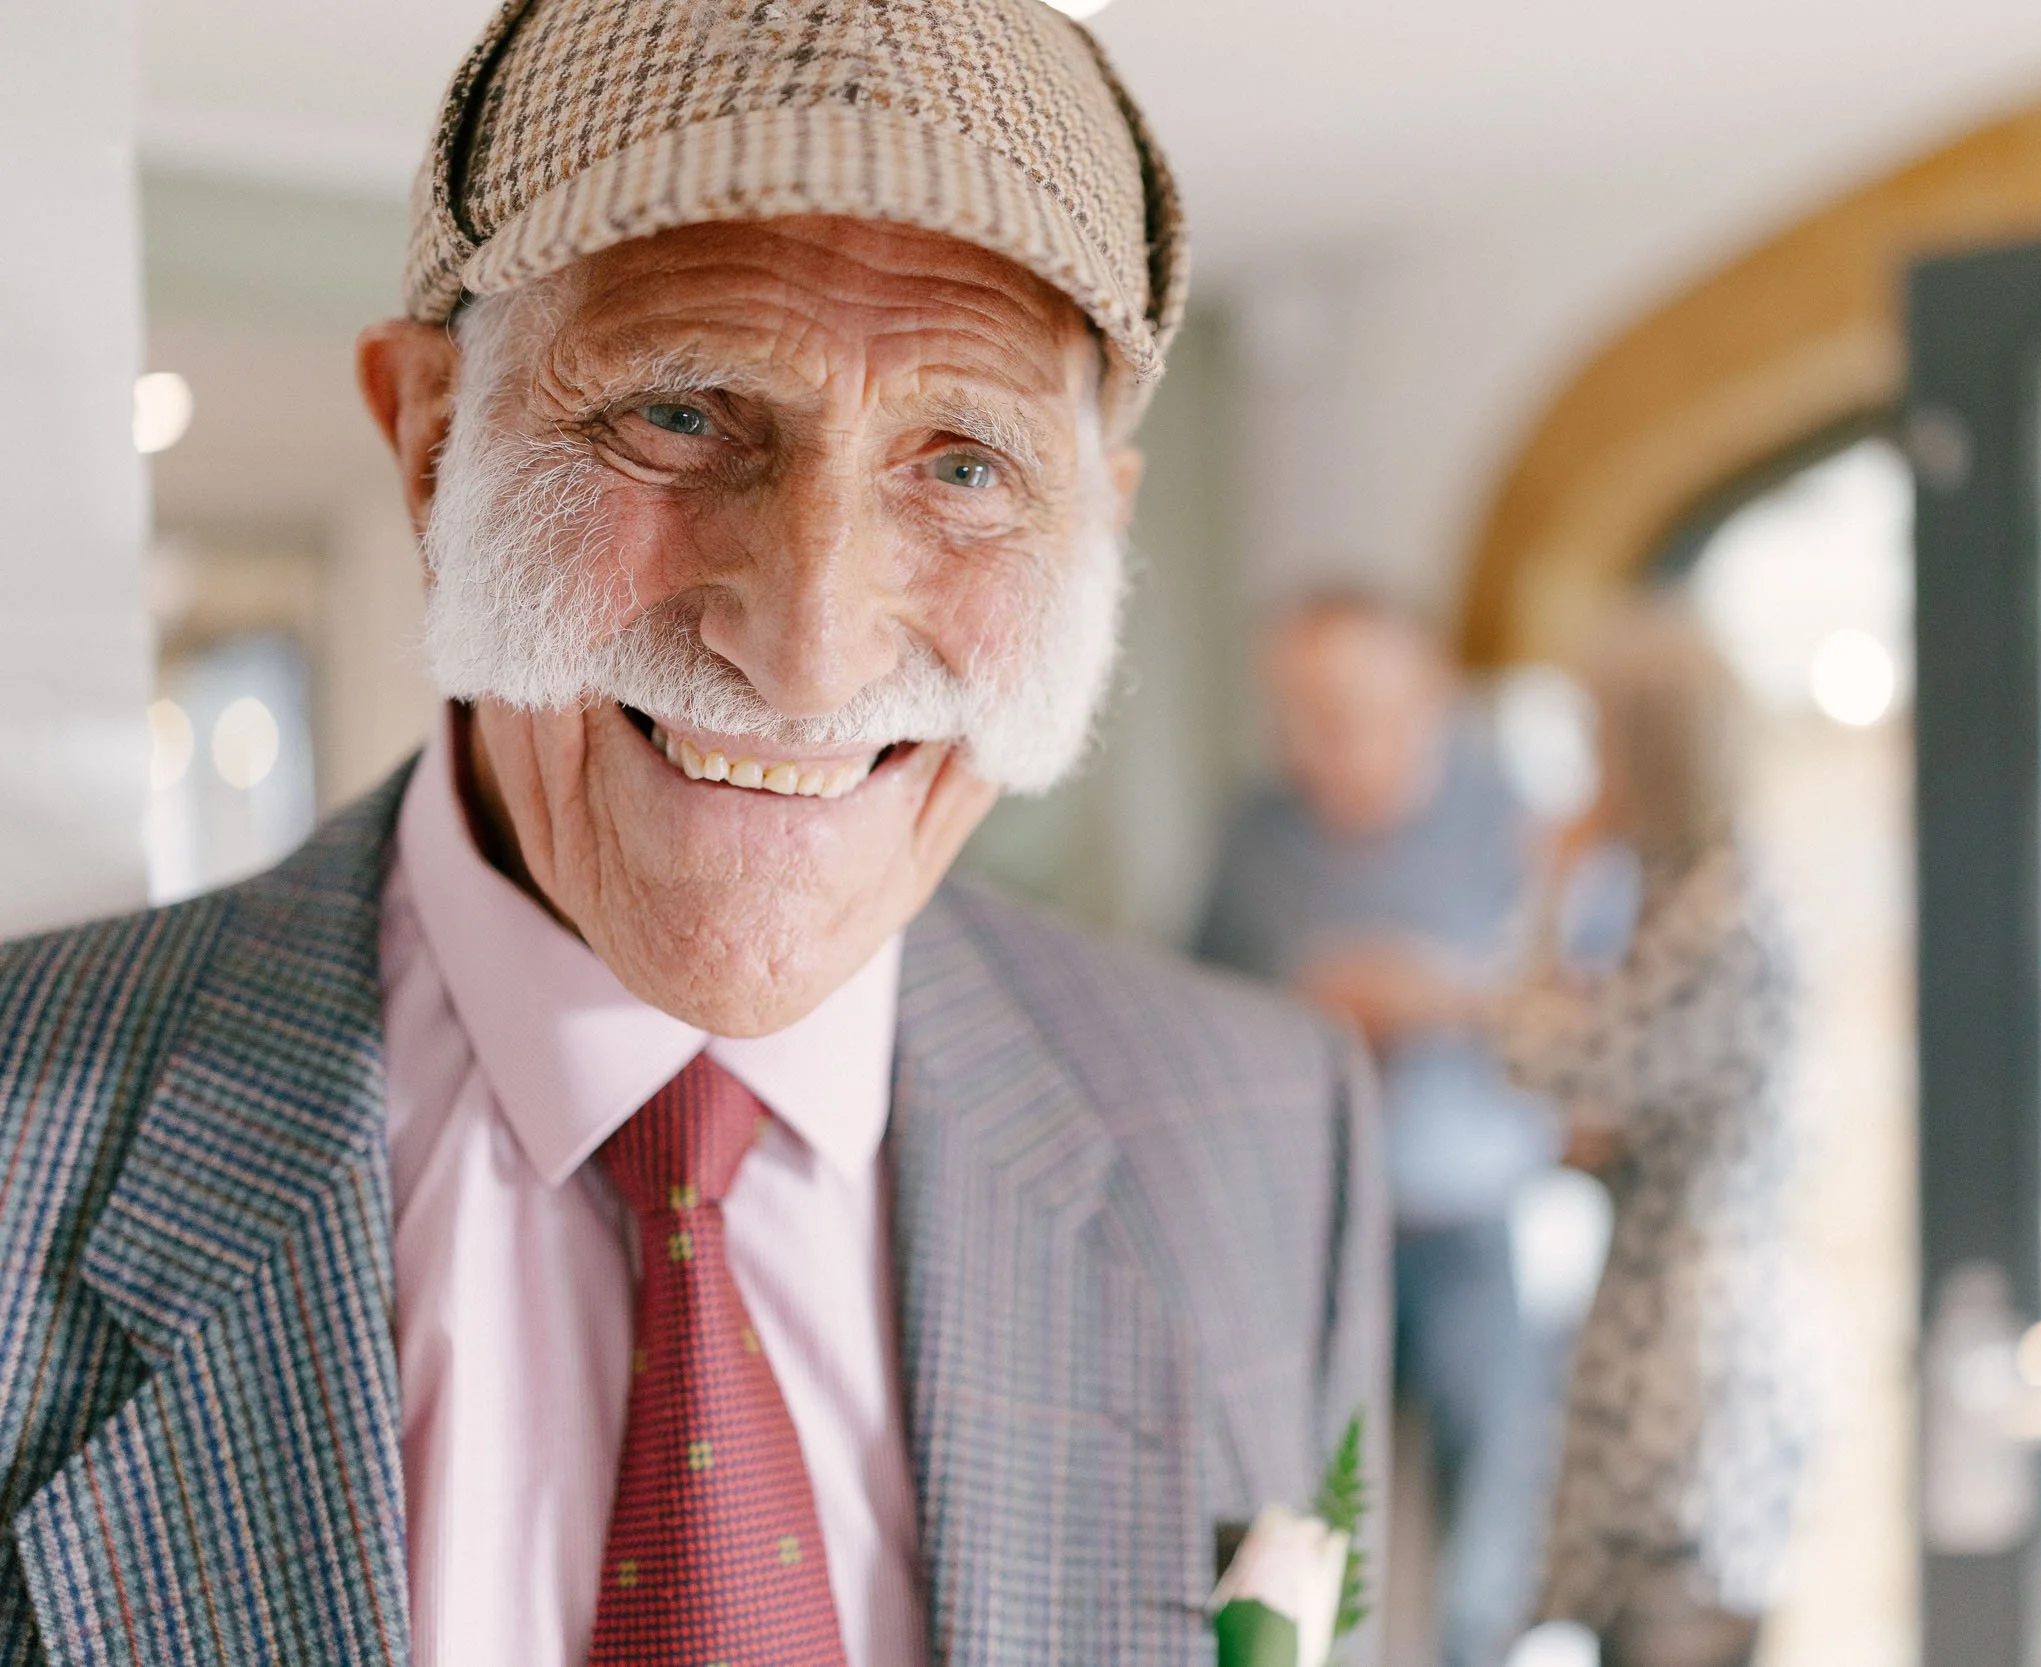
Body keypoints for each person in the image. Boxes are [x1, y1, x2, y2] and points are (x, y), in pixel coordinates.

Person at [0, 4, 1388, 1662]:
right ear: (435, 444)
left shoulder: (1262, 1136)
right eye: (680, 415)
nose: (810, 645)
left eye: (961, 463)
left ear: (1100, 529)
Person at [1198, 593, 1553, 1667]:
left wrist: (1433, 1001)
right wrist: (1299, 1009)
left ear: (1423, 694)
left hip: (1463, 1220)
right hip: (1295, 1227)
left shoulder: (1510, 819)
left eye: (1347, 708)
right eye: (1299, 712)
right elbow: (1192, 1002)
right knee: (1289, 1509)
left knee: (1484, 1521)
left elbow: (1573, 1007)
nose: (1321, 739)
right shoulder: (1255, 831)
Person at [1502, 598, 1815, 1667]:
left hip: (1688, 1353)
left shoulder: (1712, 916)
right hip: (1675, 1320)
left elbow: (1540, 1057)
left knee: (1666, 1625)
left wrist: (1551, 876)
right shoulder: (1685, 895)